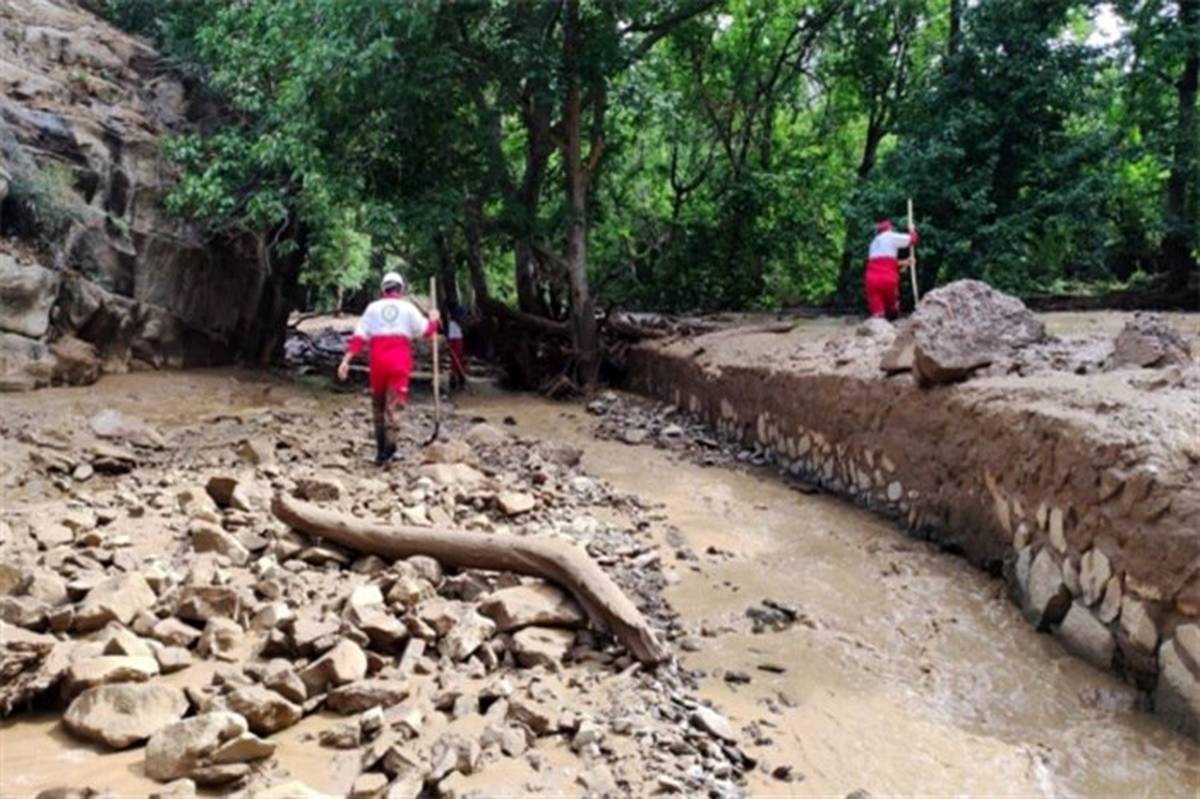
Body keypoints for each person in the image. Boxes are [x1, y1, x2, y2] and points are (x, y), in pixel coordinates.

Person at [337, 271, 440, 465]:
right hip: (399, 364)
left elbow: (359, 338)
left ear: (383, 289)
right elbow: (425, 331)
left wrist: (346, 360)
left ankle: (380, 451)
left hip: (378, 363)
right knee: (393, 408)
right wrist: (434, 319)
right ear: (401, 289)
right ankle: (390, 451)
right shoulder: (408, 308)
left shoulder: (372, 308)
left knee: (378, 406)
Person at [864, 218, 918, 319]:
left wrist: (905, 262)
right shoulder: (890, 237)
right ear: (889, 229)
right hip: (887, 278)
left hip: (871, 279)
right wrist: (912, 230)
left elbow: (884, 263)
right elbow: (912, 240)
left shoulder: (873, 243)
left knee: (877, 310)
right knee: (892, 307)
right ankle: (892, 320)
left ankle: (877, 326)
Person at [447, 305, 468, 391]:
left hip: (459, 348)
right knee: (455, 366)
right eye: (462, 316)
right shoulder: (452, 325)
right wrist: (452, 349)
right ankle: (454, 382)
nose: (463, 318)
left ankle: (460, 382)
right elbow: (452, 340)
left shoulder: (458, 325)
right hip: (455, 348)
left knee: (460, 365)